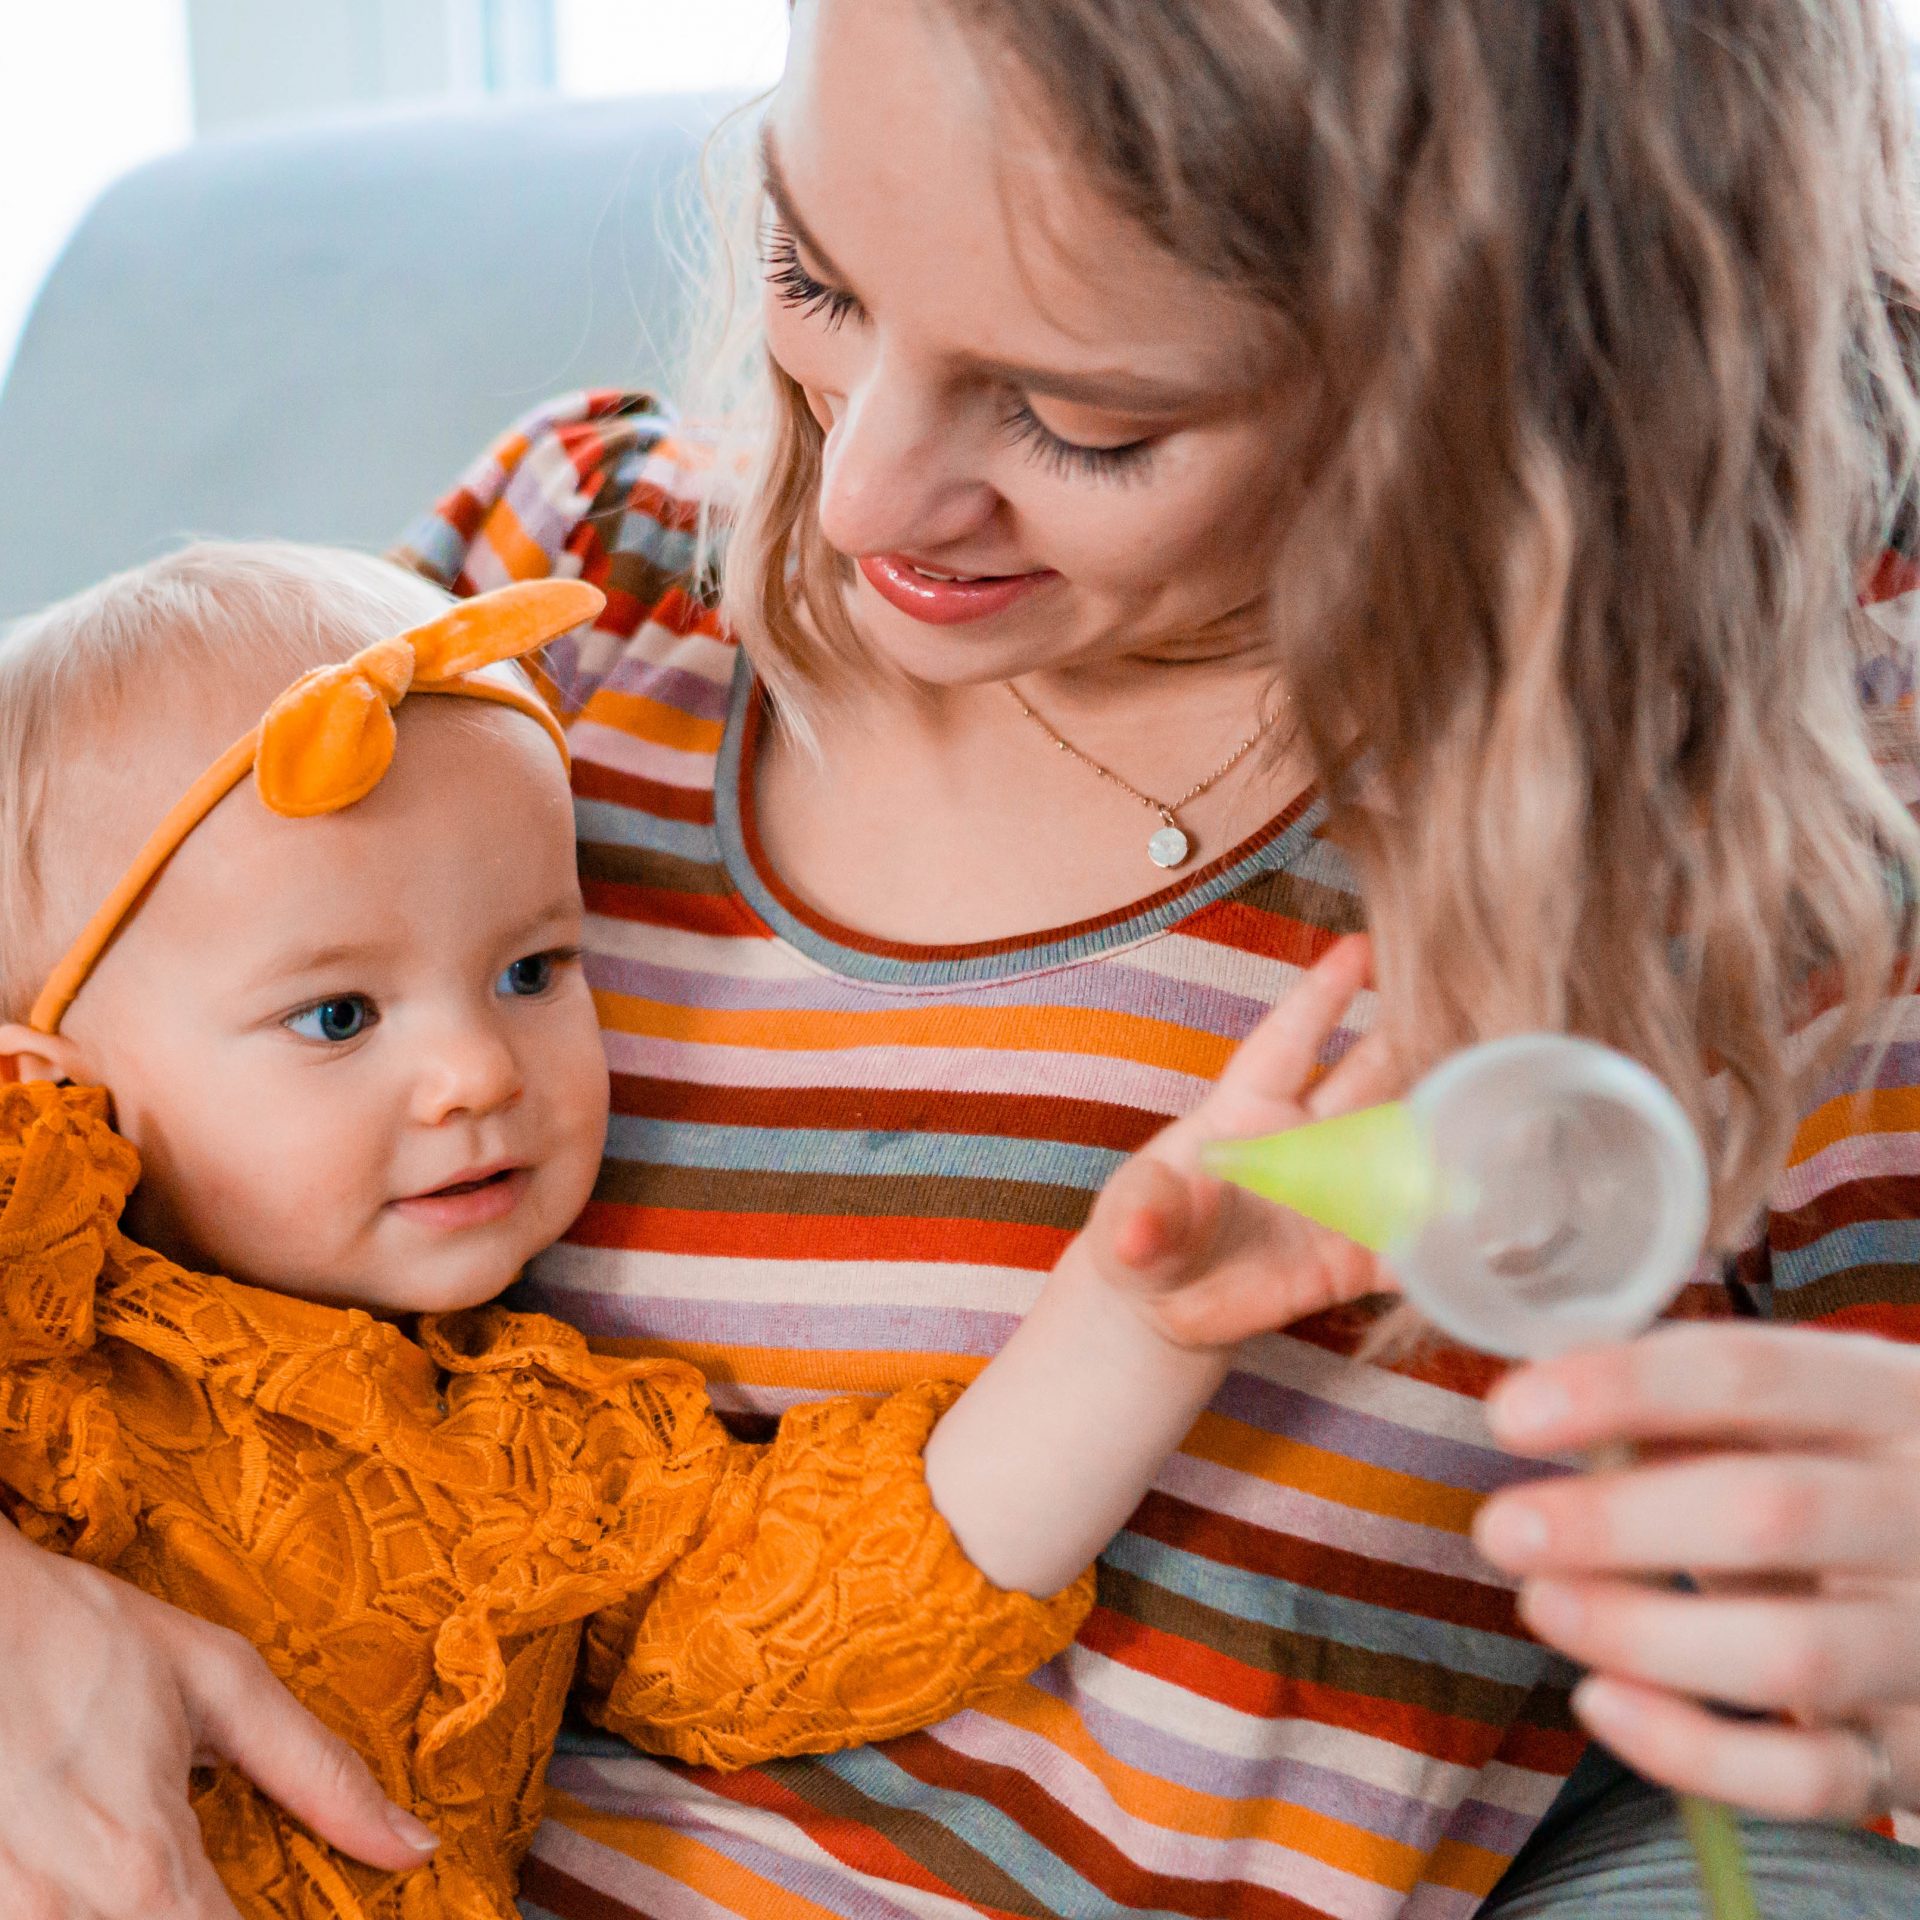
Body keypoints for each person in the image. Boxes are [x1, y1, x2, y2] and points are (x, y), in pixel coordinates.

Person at [6, 0, 1920, 1915]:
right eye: (809, 275)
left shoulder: (1762, 831)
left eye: (1084, 420)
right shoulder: (555, 606)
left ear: (1508, 348)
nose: (860, 500)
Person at [0, 539, 1393, 1920]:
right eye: (340, 1016)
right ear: (51, 1080)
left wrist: (1132, 1320)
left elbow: (812, 1598)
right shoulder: (37, 1274)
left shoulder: (547, 1452)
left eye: (532, 969)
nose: (481, 1072)